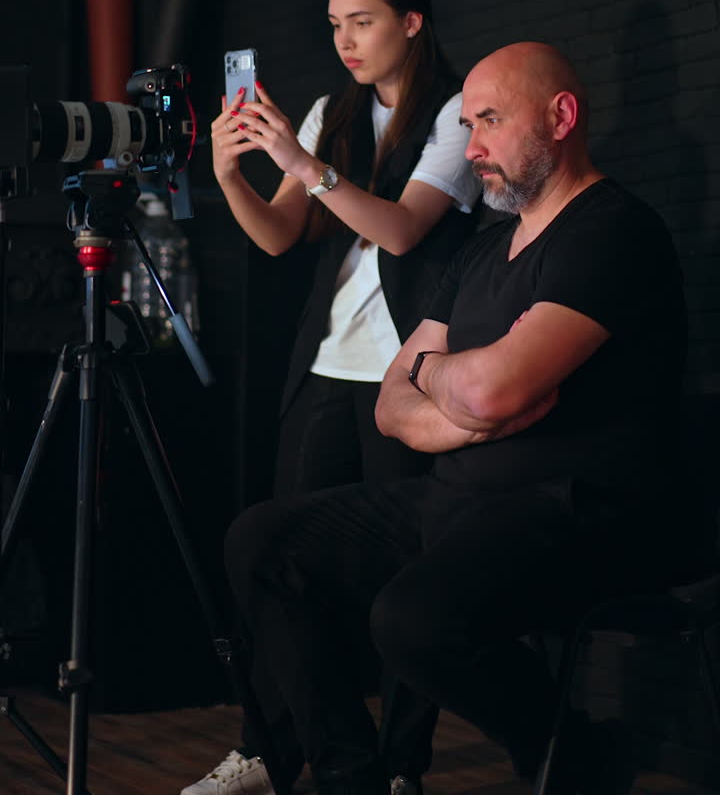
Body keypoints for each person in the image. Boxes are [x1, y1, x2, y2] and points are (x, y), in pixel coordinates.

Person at [221, 41, 701, 795]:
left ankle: (570, 751)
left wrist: (447, 386)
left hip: (576, 509)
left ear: (561, 116)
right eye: (467, 124)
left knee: (411, 621)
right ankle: (351, 775)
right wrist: (465, 404)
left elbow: (484, 393)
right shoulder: (482, 254)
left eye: (489, 121)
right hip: (455, 497)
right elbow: (393, 402)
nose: (471, 147)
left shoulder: (613, 232)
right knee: (261, 542)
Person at [182, 0, 480, 795]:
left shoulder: (458, 116)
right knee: (274, 559)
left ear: (411, 22)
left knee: (406, 575)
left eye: (363, 21)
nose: (345, 40)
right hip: (329, 366)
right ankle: (272, 750)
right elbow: (281, 235)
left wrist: (308, 165)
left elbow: (399, 231)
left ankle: (403, 766)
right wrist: (230, 171)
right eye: (335, 25)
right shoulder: (330, 111)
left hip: (412, 377)